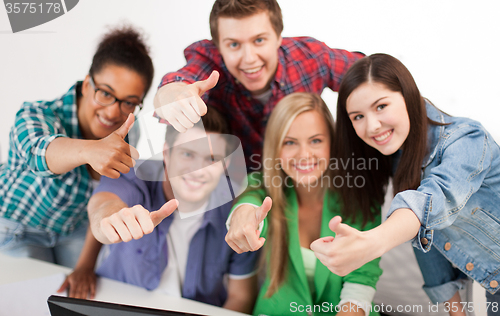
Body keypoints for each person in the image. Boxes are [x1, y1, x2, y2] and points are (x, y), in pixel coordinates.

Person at [310, 53, 500, 316]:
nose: (372, 126)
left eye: (381, 106)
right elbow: (426, 238)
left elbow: (433, 202)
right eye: (357, 117)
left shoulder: (466, 139)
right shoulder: (398, 156)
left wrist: (372, 243)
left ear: (408, 96)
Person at [0, 25, 154, 297]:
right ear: (87, 85)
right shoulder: (36, 114)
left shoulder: (129, 130)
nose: (113, 112)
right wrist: (89, 151)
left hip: (71, 229)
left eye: (129, 103)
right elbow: (39, 154)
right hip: (15, 228)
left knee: (88, 296)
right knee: (36, 299)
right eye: (105, 93)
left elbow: (106, 196)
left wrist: (85, 265)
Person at [153, 0, 364, 171]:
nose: (249, 58)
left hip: (306, 172)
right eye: (234, 44)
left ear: (279, 37)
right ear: (218, 47)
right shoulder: (211, 64)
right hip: (240, 183)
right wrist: (173, 97)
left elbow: (372, 75)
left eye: (259, 40)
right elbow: (178, 84)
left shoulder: (311, 57)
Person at [87, 109, 259, 313]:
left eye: (212, 159)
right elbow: (104, 205)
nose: (198, 170)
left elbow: (241, 297)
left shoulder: (236, 212)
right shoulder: (134, 177)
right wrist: (110, 221)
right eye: (188, 154)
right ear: (167, 153)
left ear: (225, 164)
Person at [225, 93, 382, 316]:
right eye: (290, 142)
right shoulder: (266, 187)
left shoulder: (360, 196)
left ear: (332, 142)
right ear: (276, 148)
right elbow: (251, 199)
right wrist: (242, 215)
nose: (304, 155)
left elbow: (362, 281)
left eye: (316, 140)